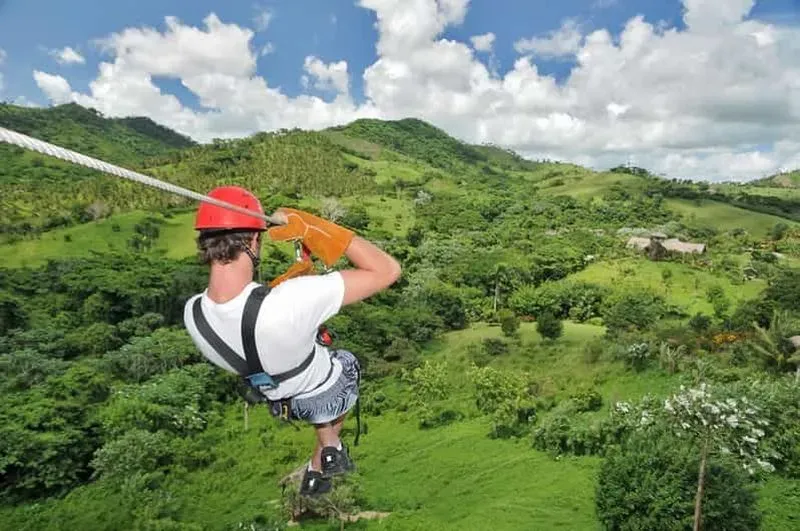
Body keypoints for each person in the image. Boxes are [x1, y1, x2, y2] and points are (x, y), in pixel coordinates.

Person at [182, 185, 401, 496]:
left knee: (305, 365)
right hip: (320, 396)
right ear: (255, 241)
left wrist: (287, 292)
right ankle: (330, 447)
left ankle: (319, 466)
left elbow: (249, 318)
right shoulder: (293, 301)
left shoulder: (193, 314)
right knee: (347, 362)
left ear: (203, 242)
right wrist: (316, 228)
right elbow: (387, 270)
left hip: (278, 401)